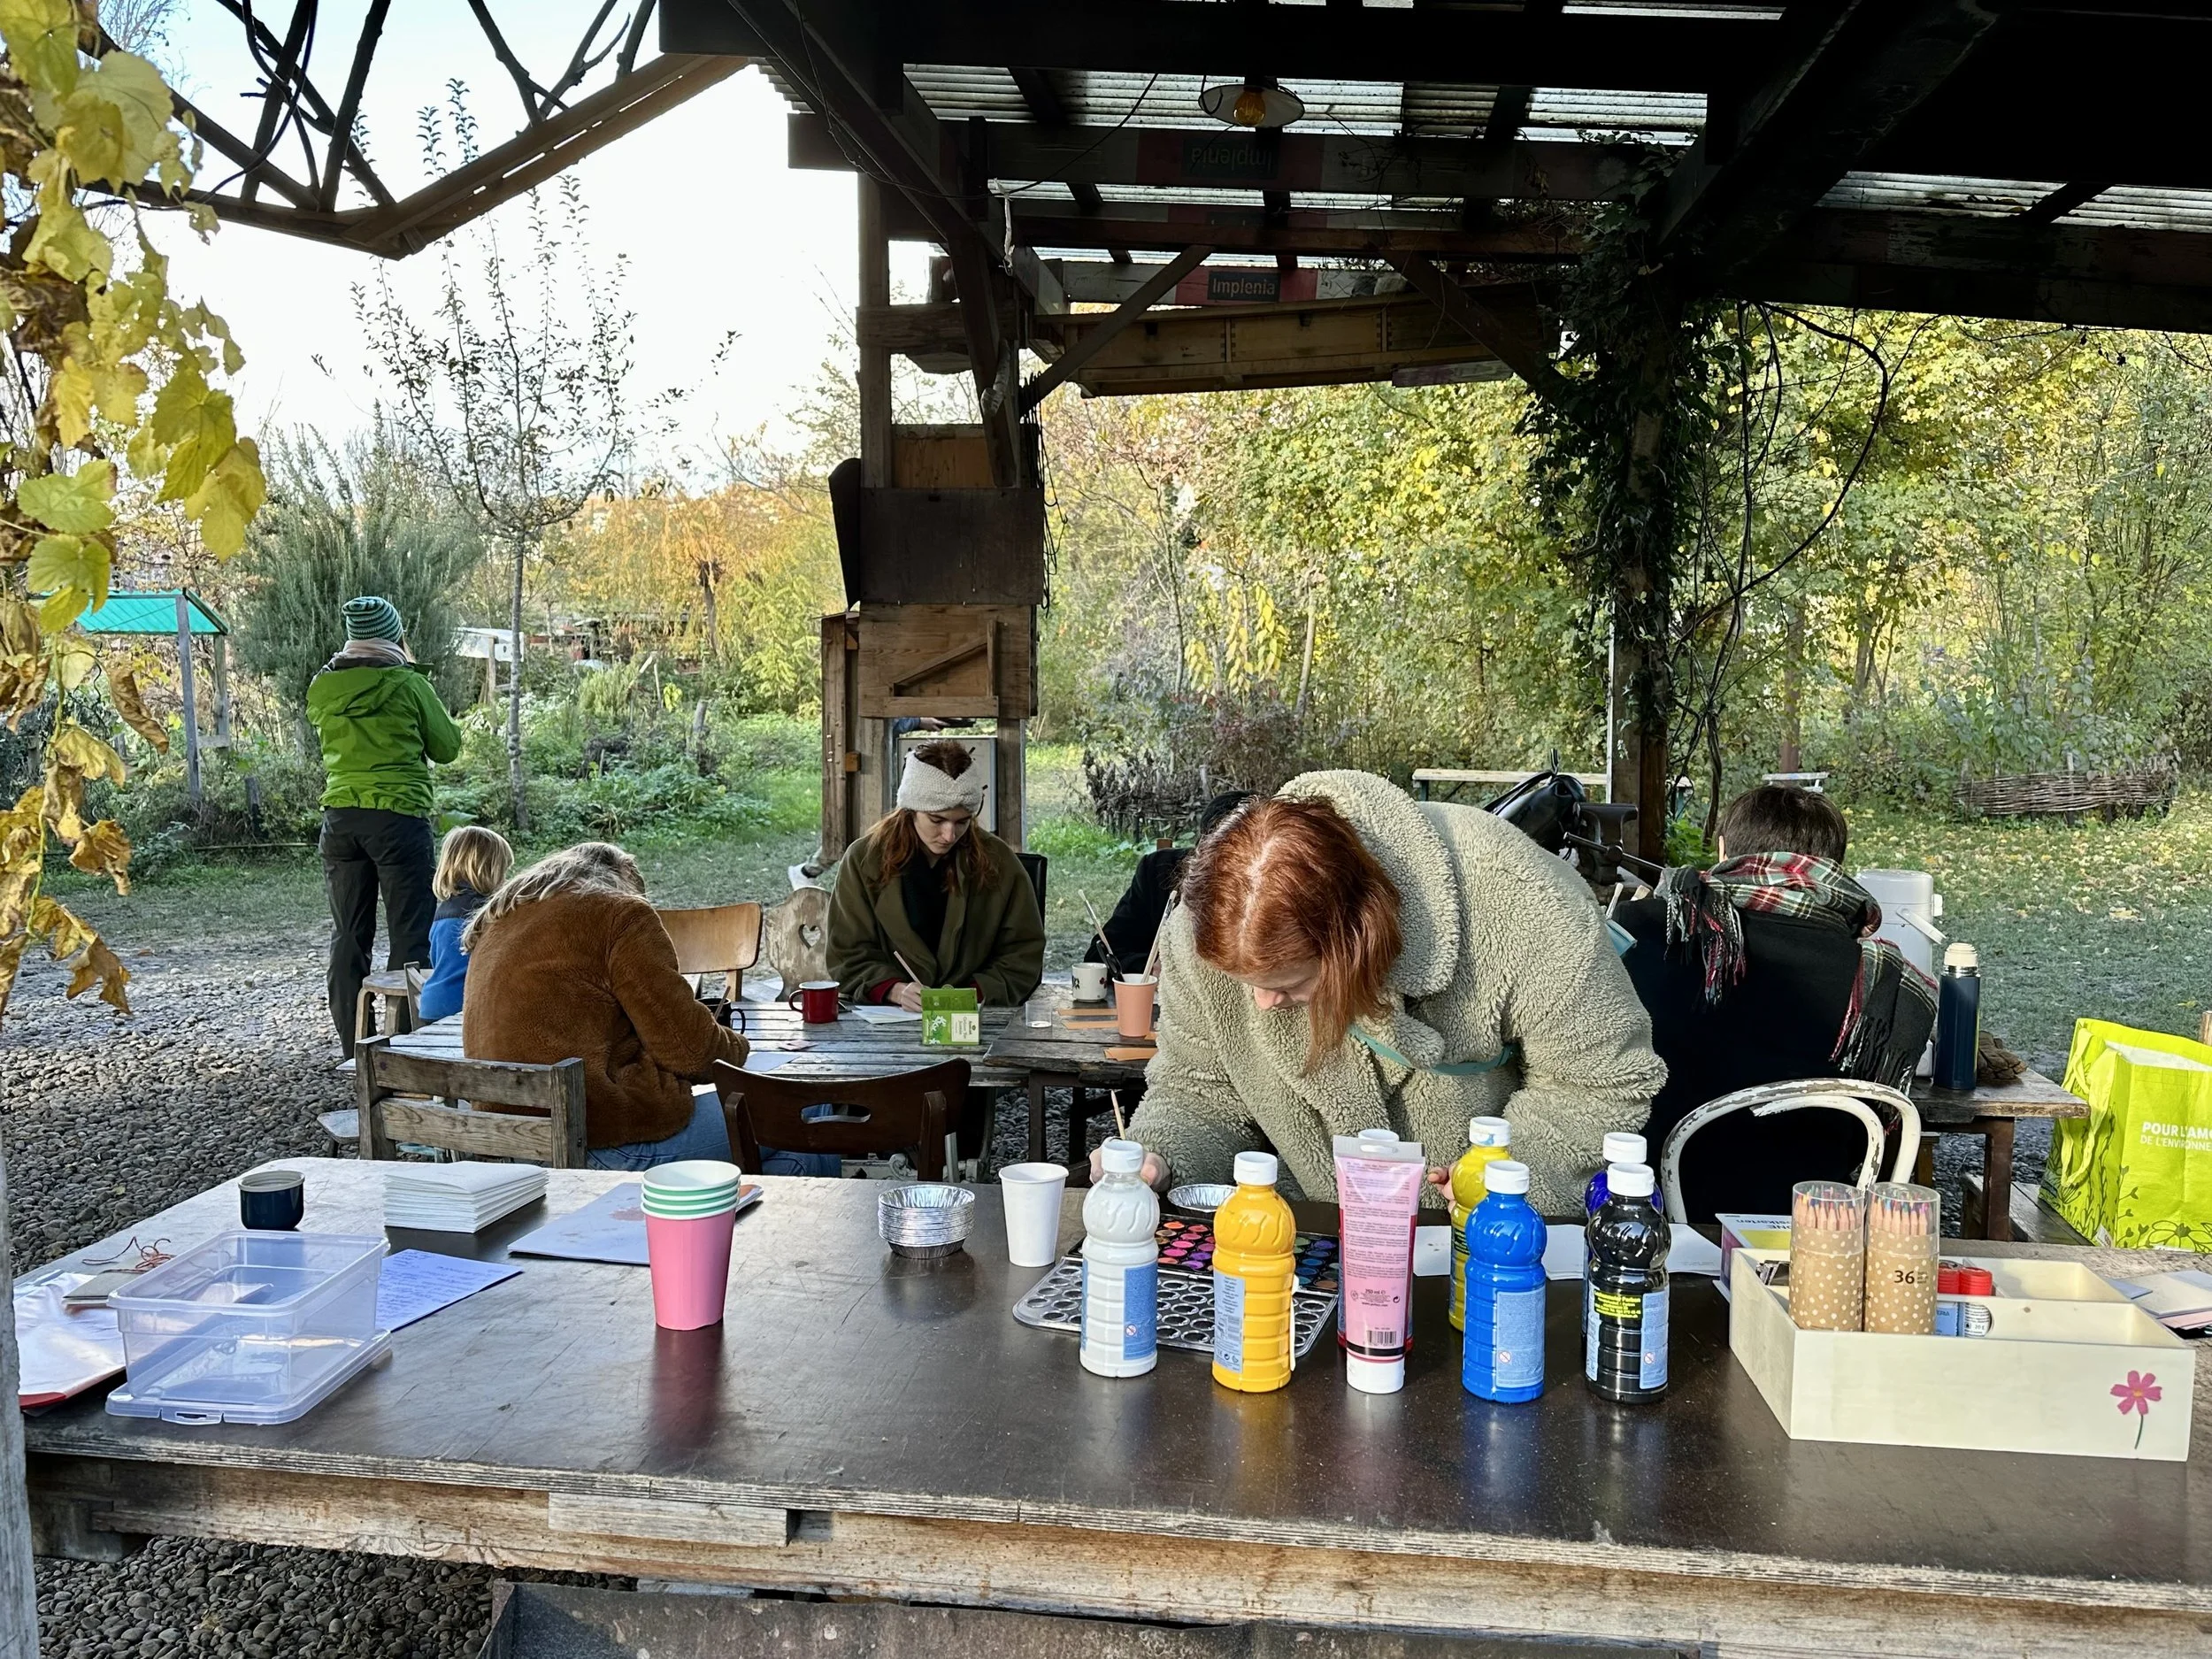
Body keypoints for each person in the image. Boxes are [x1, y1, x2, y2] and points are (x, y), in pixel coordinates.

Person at [1114, 771, 1666, 1216]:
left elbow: (1600, 1083)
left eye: (1288, 984)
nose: (1262, 1005)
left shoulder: (1522, 897)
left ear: (1359, 940)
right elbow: (1198, 1091)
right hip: (1312, 1238)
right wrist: (1160, 1155)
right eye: (1247, 985)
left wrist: (1498, 1185)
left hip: (1484, 1244)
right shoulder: (1203, 927)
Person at [1616, 785, 1937, 1221]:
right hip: (1813, 1224)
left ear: (1723, 849)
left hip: (1651, 1213)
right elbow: (1880, 1125)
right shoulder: (1882, 980)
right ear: (1834, 866)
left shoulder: (1641, 931)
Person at [462, 843, 836, 1174]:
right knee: (811, 1107)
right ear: (625, 879)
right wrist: (739, 1047)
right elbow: (693, 1051)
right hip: (598, 1143)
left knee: (792, 1157)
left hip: (506, 1143)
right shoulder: (620, 913)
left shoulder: (501, 917)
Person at [308, 595, 464, 1056]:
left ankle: (353, 1048)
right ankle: (409, 1045)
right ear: (394, 634)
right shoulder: (408, 684)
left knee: (347, 935)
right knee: (411, 934)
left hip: (341, 819)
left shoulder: (323, 686)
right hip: (398, 819)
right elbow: (447, 747)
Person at [826, 740, 1046, 1010]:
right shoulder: (864, 859)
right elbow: (847, 953)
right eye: (937, 820)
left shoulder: (998, 862)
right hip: (890, 1014)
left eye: (962, 822)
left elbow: (1022, 952)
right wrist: (894, 989)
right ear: (910, 810)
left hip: (976, 1014)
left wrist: (974, 994)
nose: (950, 835)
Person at [1083, 791, 1255, 975]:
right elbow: (1099, 955)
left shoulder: (1270, 889)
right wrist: (1152, 969)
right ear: (1199, 852)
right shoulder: (1159, 872)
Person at [416, 826, 513, 1024]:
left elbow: (438, 959)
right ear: (489, 869)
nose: (506, 879)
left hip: (434, 1004)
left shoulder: (443, 910)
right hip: (464, 1008)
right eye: (504, 870)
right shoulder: (489, 913)